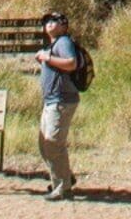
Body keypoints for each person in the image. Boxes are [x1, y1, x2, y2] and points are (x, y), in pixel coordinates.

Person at [33, 10, 89, 200]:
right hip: (52, 101)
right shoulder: (54, 44)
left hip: (61, 100)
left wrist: (47, 58)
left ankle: (62, 188)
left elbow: (71, 63)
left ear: (64, 25)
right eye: (47, 21)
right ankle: (65, 177)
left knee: (53, 144)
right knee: (45, 144)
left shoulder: (63, 41)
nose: (49, 23)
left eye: (54, 20)